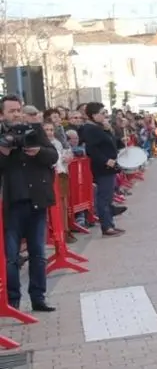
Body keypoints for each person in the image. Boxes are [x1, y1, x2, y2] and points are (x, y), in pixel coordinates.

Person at [0, 95, 58, 311]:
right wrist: (4, 152)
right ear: (2, 114)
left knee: (38, 254)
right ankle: (13, 301)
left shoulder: (35, 130)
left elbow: (53, 155)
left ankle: (38, 298)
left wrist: (39, 151)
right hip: (12, 203)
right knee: (11, 257)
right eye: (11, 111)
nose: (17, 114)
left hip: (36, 200)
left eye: (19, 110)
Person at [81, 102, 125, 237]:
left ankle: (110, 223)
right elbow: (92, 149)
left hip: (109, 166)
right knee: (103, 197)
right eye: (102, 113)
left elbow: (111, 142)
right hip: (102, 167)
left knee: (108, 196)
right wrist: (105, 160)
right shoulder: (90, 129)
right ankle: (106, 226)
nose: (105, 115)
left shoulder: (100, 128)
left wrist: (108, 130)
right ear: (93, 115)